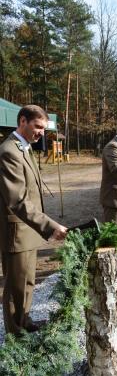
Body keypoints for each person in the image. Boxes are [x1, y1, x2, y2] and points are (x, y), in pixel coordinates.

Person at [0, 105, 68, 335]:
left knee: (28, 282)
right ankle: (15, 337)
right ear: (22, 121)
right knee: (15, 286)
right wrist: (49, 225)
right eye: (37, 126)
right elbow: (17, 200)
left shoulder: (24, 148)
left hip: (28, 230)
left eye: (43, 128)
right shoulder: (9, 151)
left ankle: (25, 321)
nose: (41, 132)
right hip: (17, 232)